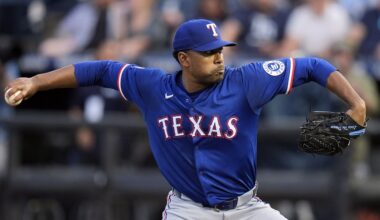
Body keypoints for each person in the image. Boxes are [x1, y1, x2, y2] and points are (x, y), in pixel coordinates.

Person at [4, 19, 366, 219]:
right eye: (209, 53)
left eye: (220, 50)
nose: (219, 57)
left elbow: (313, 66)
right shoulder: (151, 86)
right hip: (188, 210)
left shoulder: (246, 81)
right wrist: (37, 81)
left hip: (247, 209)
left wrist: (356, 102)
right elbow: (96, 71)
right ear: (183, 59)